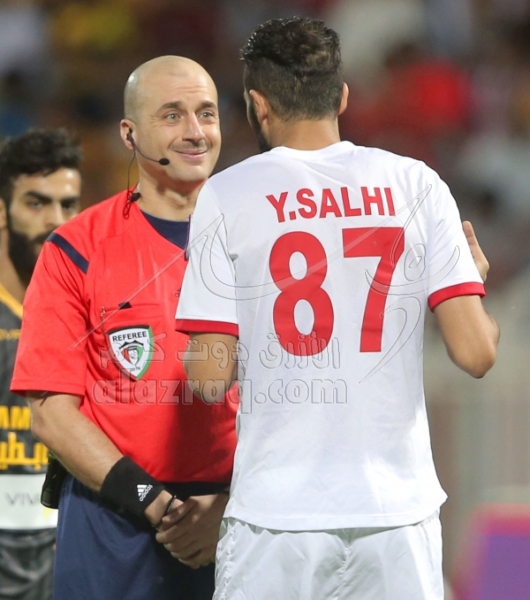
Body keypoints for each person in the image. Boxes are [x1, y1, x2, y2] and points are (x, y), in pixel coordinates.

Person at [172, 18, 500, 600]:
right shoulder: (418, 184)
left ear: (257, 104)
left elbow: (208, 378)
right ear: (342, 96)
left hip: (278, 517)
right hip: (397, 516)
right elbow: (476, 354)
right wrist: (469, 283)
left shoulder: (227, 193)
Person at [11, 56, 238, 600]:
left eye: (207, 113)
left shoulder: (263, 241)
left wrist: (230, 506)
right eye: (172, 115)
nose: (195, 131)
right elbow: (51, 414)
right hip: (112, 523)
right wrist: (155, 503)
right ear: (129, 134)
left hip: (239, 521)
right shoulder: (76, 248)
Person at [0, 128, 82, 600]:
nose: (56, 220)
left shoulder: (96, 313)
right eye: (36, 203)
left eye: (68, 204)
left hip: (67, 548)